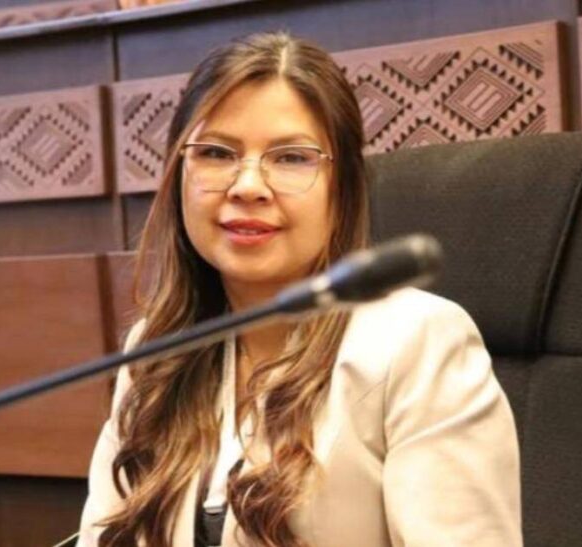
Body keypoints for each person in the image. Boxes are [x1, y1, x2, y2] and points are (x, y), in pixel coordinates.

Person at [77, 31, 521, 547]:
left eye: (290, 158)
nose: (247, 186)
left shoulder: (417, 341)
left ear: (343, 188)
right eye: (216, 153)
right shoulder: (157, 351)